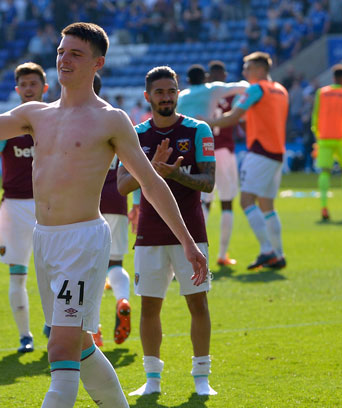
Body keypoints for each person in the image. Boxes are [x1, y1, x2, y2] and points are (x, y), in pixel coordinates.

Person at [0, 22, 208, 407]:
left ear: (98, 63)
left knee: (59, 349)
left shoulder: (111, 119)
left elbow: (152, 183)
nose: (64, 59)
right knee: (76, 344)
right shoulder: (36, 114)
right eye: (61, 51)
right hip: (45, 240)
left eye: (75, 53)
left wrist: (189, 243)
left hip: (82, 241)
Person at [117, 66, 217, 397]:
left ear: (178, 93)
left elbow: (208, 182)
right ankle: (152, 379)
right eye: (159, 92)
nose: (166, 97)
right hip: (149, 233)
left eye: (171, 91)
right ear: (148, 97)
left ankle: (201, 377)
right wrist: (150, 171)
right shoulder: (134, 135)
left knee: (198, 304)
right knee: (149, 307)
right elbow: (120, 186)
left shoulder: (198, 130)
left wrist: (174, 174)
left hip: (191, 231)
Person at [0, 62, 47, 354]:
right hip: (15, 208)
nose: (29, 89)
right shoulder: (5, 124)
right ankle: (25, 335)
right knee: (18, 274)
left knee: (55, 271)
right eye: (24, 84)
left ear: (45, 88)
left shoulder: (55, 120)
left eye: (34, 84)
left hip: (50, 206)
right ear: (17, 90)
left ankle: (55, 323)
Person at [208, 52, 289, 270]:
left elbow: (233, 118)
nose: (244, 72)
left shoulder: (256, 89)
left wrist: (205, 122)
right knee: (267, 205)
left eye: (248, 68)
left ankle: (267, 250)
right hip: (277, 152)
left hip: (260, 151)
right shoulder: (281, 90)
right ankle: (279, 254)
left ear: (260, 69)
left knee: (246, 201)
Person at [176, 62, 248, 266]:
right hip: (221, 149)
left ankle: (192, 254)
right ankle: (222, 254)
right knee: (226, 202)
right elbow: (245, 86)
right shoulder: (219, 93)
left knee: (199, 204)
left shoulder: (184, 96)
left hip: (194, 152)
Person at [92, 73, 132, 347]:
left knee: (88, 268)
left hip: (85, 199)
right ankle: (122, 299)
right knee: (115, 262)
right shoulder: (115, 117)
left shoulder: (68, 116)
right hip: (116, 194)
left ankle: (93, 329)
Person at [310, 64, 342, 221]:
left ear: (333, 78)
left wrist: (317, 136)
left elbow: (315, 116)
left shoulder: (322, 93)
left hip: (325, 137)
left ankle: (324, 207)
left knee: (325, 171)